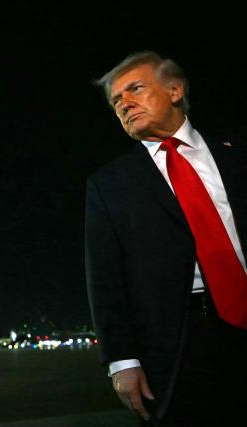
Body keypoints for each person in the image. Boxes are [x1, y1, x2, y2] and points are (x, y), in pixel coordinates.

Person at [85, 50, 247, 425]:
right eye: (116, 101)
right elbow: (105, 278)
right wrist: (121, 361)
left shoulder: (238, 150)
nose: (123, 104)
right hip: (179, 341)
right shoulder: (110, 185)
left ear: (175, 90)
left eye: (135, 89)